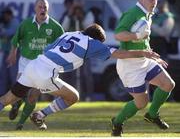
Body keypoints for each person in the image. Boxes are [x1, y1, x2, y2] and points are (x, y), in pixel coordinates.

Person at [0, 23, 160, 130]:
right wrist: (143, 53)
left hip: (33, 66)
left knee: (5, 99)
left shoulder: (69, 34)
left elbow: (48, 49)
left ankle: (35, 113)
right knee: (73, 97)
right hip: (46, 73)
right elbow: (119, 53)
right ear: (96, 39)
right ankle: (40, 115)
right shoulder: (91, 43)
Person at [111, 0, 175, 137]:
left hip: (144, 59)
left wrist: (152, 55)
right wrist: (135, 35)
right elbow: (118, 35)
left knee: (168, 84)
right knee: (141, 103)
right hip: (129, 65)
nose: (154, 2)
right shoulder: (133, 13)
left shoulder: (148, 14)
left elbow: (143, 39)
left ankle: (152, 115)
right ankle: (117, 122)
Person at [6, 0, 64, 130]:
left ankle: (20, 124)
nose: (43, 9)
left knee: (33, 96)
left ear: (48, 9)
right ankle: (16, 103)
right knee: (18, 92)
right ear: (35, 9)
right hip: (26, 62)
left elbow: (63, 45)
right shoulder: (25, 24)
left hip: (43, 66)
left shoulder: (55, 27)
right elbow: (16, 40)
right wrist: (12, 53)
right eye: (40, 7)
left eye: (45, 7)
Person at [0, 7, 20, 96]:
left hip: (14, 53)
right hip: (5, 52)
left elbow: (10, 33)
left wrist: (2, 31)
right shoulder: (4, 23)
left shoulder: (15, 22)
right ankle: (2, 97)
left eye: (5, 15)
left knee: (13, 76)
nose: (4, 16)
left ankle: (15, 96)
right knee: (3, 76)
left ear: (9, 15)